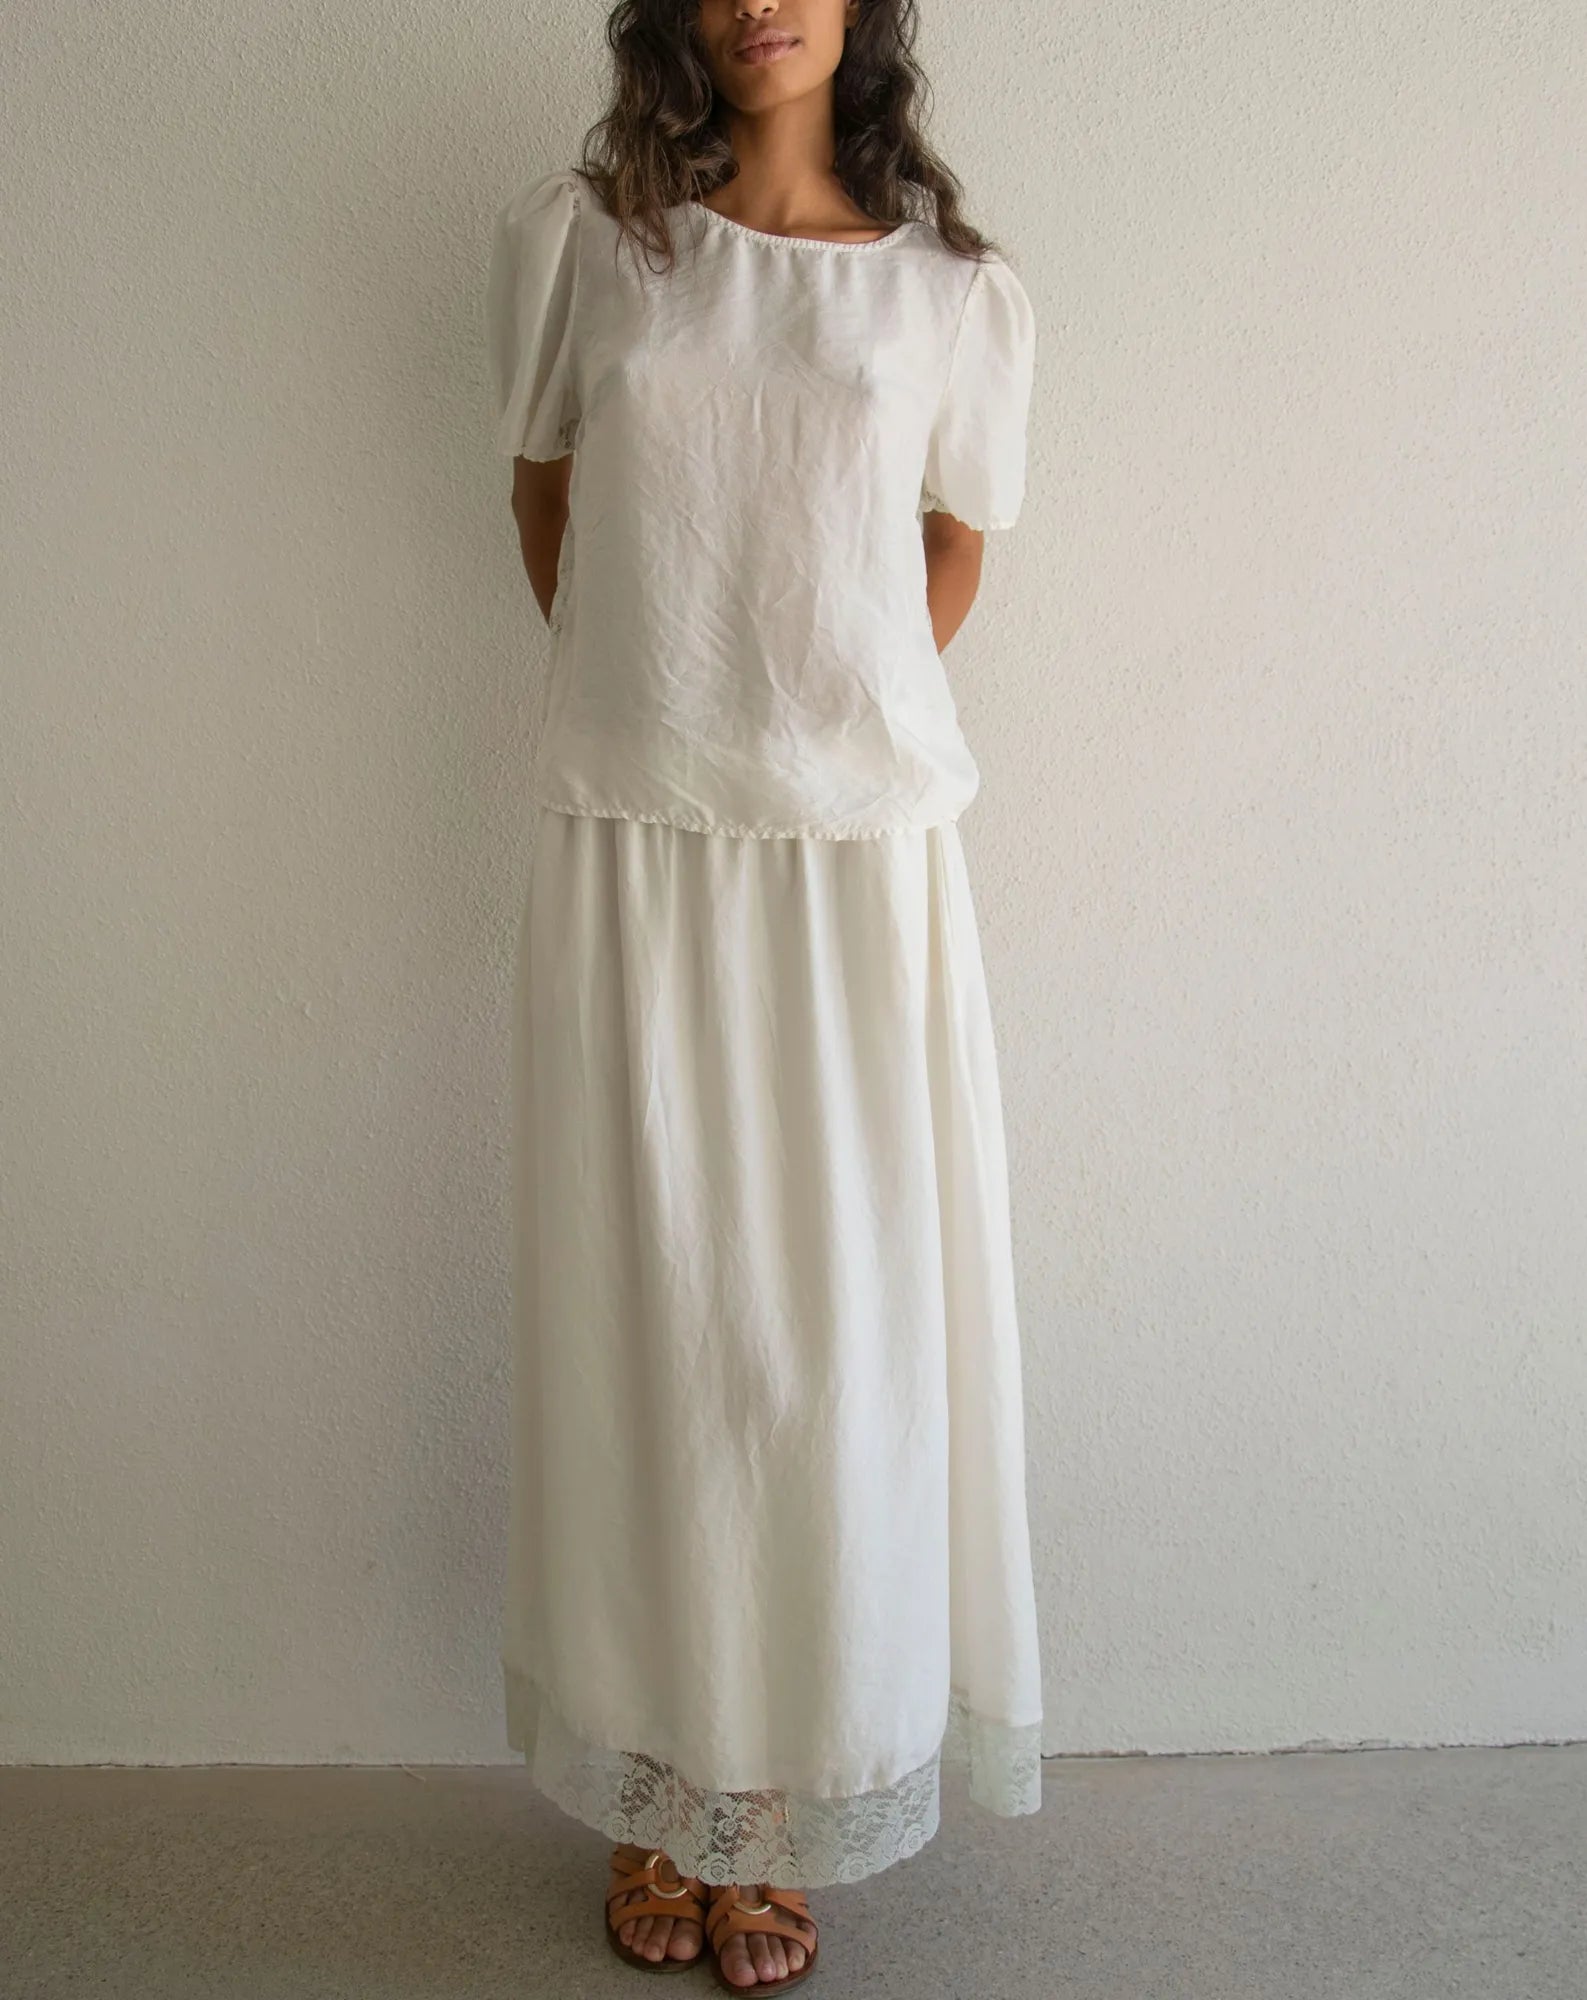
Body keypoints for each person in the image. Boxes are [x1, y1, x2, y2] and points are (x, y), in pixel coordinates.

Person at [484, 0, 1041, 1987]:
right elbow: (548, 498)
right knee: (649, 1318)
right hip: (639, 846)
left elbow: (953, 540)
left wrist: (828, 702)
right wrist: (677, 705)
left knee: (830, 1339)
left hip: (854, 868)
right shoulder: (585, 247)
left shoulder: (951, 295)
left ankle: (775, 1801)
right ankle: (662, 1789)